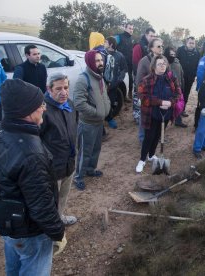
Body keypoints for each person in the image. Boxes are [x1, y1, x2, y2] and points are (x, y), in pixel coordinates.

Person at [0, 79, 64, 275]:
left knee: (14, 269)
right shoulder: (31, 152)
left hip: (8, 220)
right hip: (32, 232)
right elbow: (42, 206)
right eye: (40, 104)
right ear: (26, 111)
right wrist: (58, 233)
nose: (44, 108)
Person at [40, 72, 77, 226]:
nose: (64, 92)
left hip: (69, 161)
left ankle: (60, 216)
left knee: (63, 195)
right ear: (49, 89)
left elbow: (74, 127)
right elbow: (37, 139)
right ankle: (50, 228)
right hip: (52, 166)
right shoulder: (42, 110)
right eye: (58, 89)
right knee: (50, 199)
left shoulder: (70, 104)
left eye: (66, 87)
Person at [135, 55, 183, 173]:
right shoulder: (146, 80)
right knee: (149, 137)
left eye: (164, 64)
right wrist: (160, 102)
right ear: (154, 66)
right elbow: (143, 97)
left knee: (158, 135)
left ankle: (151, 155)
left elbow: (178, 93)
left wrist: (170, 103)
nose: (162, 66)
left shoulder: (171, 78)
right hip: (151, 113)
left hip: (166, 113)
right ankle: (142, 160)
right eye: (159, 64)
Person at [73, 50, 111, 190]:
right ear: (90, 62)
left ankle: (90, 170)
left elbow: (104, 95)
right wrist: (96, 112)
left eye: (101, 60)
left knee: (96, 149)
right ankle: (78, 177)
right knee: (85, 151)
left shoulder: (100, 77)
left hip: (99, 123)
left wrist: (106, 109)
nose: (101, 63)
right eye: (97, 61)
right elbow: (79, 103)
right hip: (88, 124)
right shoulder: (84, 79)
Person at [135, 38, 164, 143]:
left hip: (160, 96)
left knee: (157, 118)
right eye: (158, 46)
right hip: (147, 96)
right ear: (151, 48)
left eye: (162, 46)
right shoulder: (144, 61)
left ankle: (156, 137)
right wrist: (140, 97)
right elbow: (138, 81)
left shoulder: (163, 60)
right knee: (145, 119)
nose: (161, 48)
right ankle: (143, 139)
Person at [103, 36, 128, 129]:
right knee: (102, 102)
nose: (104, 44)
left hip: (113, 85)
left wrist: (118, 80)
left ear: (111, 44)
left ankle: (109, 119)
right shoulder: (102, 54)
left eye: (106, 42)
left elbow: (124, 69)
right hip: (103, 84)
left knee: (110, 102)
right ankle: (104, 119)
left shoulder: (119, 56)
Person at [176, 36, 200, 117]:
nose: (191, 45)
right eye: (190, 43)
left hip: (190, 78)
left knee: (186, 94)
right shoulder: (180, 50)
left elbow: (198, 65)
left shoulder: (197, 53)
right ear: (186, 43)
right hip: (179, 77)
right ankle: (175, 111)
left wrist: (195, 75)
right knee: (178, 93)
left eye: (193, 43)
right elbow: (175, 61)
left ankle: (182, 110)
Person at [164, 46, 187, 128]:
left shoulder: (177, 62)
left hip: (178, 87)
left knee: (178, 105)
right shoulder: (164, 63)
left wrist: (182, 85)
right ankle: (164, 126)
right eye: (171, 54)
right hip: (168, 89)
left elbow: (181, 74)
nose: (172, 56)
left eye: (174, 54)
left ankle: (178, 120)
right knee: (168, 108)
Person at [116, 23, 134, 100]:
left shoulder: (131, 39)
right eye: (129, 28)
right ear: (125, 28)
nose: (131, 30)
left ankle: (129, 95)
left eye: (132, 29)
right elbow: (111, 45)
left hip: (130, 64)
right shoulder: (119, 37)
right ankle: (121, 96)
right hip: (121, 63)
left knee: (130, 80)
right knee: (121, 79)